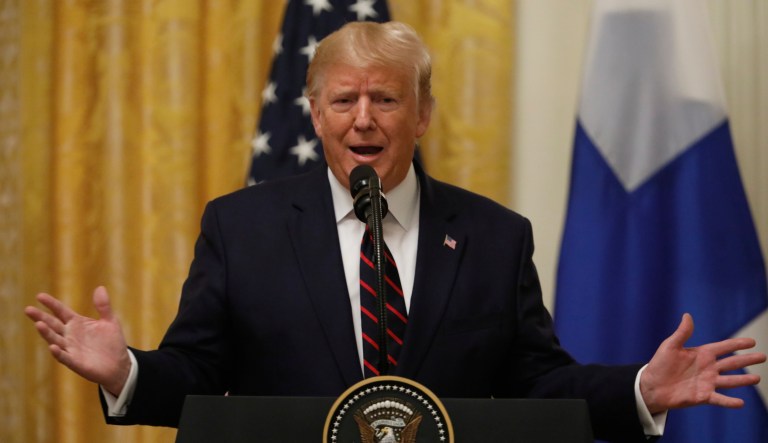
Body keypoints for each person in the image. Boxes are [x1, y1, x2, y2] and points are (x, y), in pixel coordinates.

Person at [25, 21, 765, 442]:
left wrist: (643, 386)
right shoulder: (240, 227)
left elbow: (540, 384)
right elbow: (196, 372)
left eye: (385, 97)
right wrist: (126, 370)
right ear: (314, 115)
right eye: (343, 99)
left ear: (423, 114)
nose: (364, 118)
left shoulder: (495, 235)